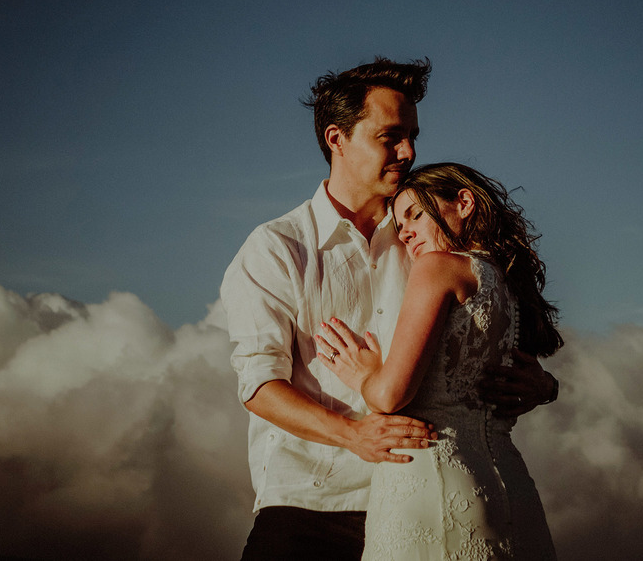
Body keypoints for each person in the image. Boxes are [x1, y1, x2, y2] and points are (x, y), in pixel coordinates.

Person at [219, 58, 559, 560]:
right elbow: (259, 385)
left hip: (420, 497)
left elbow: (488, 338)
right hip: (310, 510)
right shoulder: (275, 247)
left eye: (413, 136)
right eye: (390, 136)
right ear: (337, 138)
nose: (409, 152)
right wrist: (352, 433)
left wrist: (543, 385)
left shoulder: (426, 240)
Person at [315, 162, 562, 560]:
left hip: (433, 489)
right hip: (512, 490)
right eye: (399, 227)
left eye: (415, 214)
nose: (406, 232)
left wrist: (363, 374)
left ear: (463, 203)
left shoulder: (438, 267)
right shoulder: (511, 290)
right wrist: (550, 387)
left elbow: (389, 396)